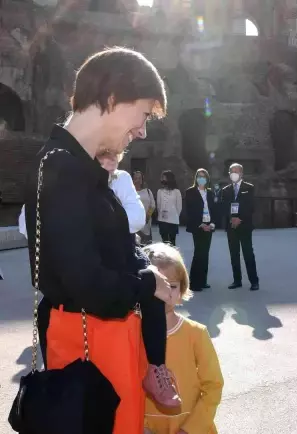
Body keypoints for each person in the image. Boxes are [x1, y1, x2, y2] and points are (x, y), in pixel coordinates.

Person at [23, 47, 182, 434]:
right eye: (143, 113)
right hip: (87, 338)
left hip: (106, 335)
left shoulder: (82, 164)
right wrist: (149, 282)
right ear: (112, 99)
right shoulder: (60, 165)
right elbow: (87, 283)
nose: (142, 130)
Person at [143, 243, 224, 434]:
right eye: (155, 285)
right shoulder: (134, 335)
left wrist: (190, 429)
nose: (163, 293)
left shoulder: (196, 333)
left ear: (181, 291)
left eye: (171, 286)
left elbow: (213, 386)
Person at [18, 149, 147, 238]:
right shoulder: (65, 178)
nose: (111, 162)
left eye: (115, 156)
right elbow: (26, 225)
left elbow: (137, 218)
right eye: (102, 161)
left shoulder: (120, 178)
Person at [221, 163, 259, 291]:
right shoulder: (225, 190)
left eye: (237, 171)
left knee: (248, 253)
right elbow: (224, 207)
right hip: (231, 226)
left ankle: (254, 281)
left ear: (242, 173)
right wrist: (231, 218)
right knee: (234, 254)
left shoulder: (249, 187)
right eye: (232, 171)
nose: (234, 174)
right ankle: (237, 280)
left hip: (245, 225)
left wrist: (240, 218)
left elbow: (251, 206)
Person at [185, 168, 219, 291]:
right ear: (196, 178)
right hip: (198, 226)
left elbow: (215, 210)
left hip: (209, 225)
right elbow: (189, 211)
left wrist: (212, 224)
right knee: (199, 252)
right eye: (199, 176)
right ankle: (194, 283)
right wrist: (199, 224)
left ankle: (203, 281)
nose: (201, 178)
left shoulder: (210, 193)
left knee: (205, 253)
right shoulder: (190, 192)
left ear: (207, 179)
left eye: (204, 176)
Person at [157, 170, 182, 245]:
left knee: (172, 242)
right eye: (162, 178)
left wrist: (174, 215)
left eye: (164, 178)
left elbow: (179, 207)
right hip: (162, 220)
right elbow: (158, 206)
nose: (163, 180)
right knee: (164, 242)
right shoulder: (160, 191)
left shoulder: (176, 191)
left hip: (173, 221)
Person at [134, 170, 157, 245]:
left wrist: (147, 216)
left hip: (146, 224)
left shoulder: (147, 191)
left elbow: (153, 205)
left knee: (147, 246)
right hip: (135, 224)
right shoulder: (130, 192)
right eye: (136, 178)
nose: (138, 180)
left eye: (140, 178)